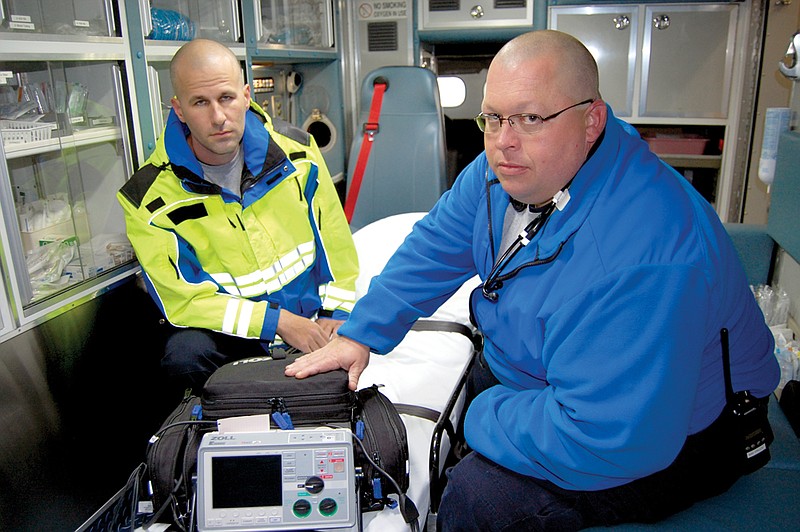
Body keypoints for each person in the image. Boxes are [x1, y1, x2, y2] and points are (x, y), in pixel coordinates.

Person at [285, 30, 780, 530]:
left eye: (530, 118)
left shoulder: (642, 255)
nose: (504, 141)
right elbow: (433, 248)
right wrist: (359, 332)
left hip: (681, 433)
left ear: (591, 120)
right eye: (493, 117)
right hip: (573, 382)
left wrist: (478, 416)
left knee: (480, 500)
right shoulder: (501, 174)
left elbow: (609, 439)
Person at [118, 39, 358, 391]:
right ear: (178, 109)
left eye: (226, 98)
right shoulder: (149, 199)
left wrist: (336, 314)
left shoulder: (299, 154)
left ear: (247, 96)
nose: (218, 117)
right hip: (233, 337)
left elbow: (334, 241)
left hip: (312, 319)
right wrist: (276, 322)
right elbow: (182, 299)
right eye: (200, 102)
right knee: (184, 354)